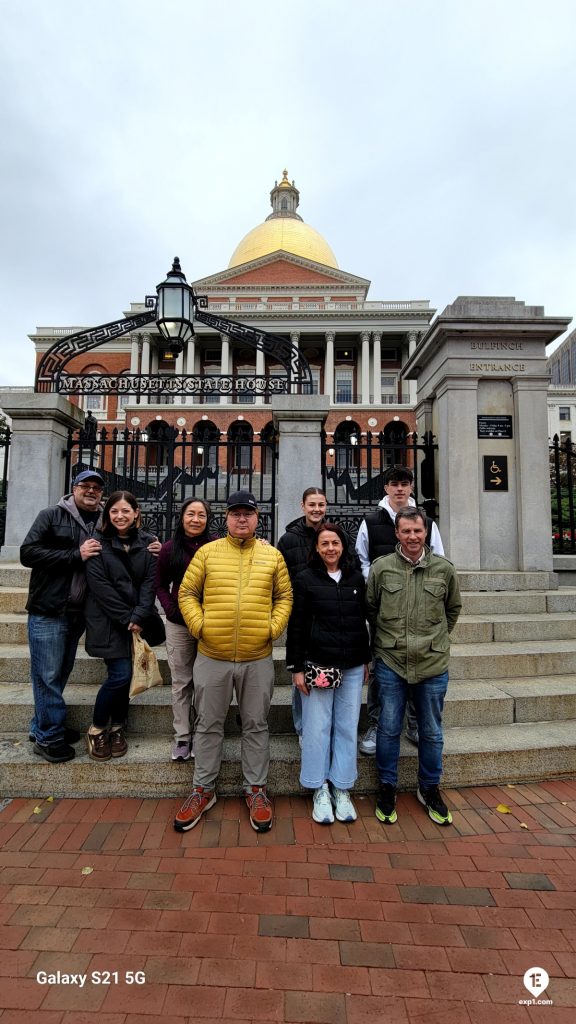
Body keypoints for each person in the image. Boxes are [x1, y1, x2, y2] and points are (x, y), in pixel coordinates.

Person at [174, 490, 293, 833]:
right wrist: (199, 626)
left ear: (257, 518)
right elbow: (186, 593)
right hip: (212, 656)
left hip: (257, 658)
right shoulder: (208, 553)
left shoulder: (272, 556)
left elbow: (285, 596)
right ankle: (202, 789)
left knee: (256, 724)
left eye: (248, 514)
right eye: (236, 513)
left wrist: (272, 628)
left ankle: (256, 789)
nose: (242, 519)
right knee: (208, 724)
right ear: (226, 518)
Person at [366, 506, 461, 827]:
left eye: (417, 531)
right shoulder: (382, 569)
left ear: (425, 532)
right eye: (405, 531)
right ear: (396, 533)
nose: (412, 537)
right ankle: (387, 786)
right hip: (391, 662)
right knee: (389, 729)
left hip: (432, 664)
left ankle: (430, 787)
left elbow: (452, 610)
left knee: (432, 732)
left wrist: (434, 641)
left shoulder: (444, 570)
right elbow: (371, 610)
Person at [355, 464, 444, 755]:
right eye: (394, 483)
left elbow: (440, 562)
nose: (400, 488)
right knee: (383, 665)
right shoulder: (371, 521)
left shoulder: (426, 521)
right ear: (386, 488)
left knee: (420, 665)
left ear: (410, 487)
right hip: (385, 605)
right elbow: (361, 560)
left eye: (405, 483)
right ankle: (377, 722)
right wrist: (380, 584)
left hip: (420, 606)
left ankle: (415, 722)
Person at [20, 469, 106, 763]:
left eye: (96, 487)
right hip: (49, 608)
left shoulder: (104, 519)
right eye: (86, 486)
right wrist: (75, 555)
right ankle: (47, 737)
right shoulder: (51, 515)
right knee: (47, 674)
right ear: (73, 488)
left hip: (78, 611)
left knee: (60, 671)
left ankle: (42, 724)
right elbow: (28, 553)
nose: (91, 491)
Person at [287, 523, 370, 824]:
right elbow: (296, 625)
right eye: (324, 544)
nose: (331, 549)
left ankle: (342, 787)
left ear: (343, 546)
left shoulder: (355, 577)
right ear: (317, 549)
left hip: (350, 665)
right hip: (319, 664)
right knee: (317, 727)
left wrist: (365, 659)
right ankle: (318, 786)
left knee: (347, 726)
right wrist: (296, 667)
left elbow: (363, 620)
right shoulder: (305, 578)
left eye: (335, 543)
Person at [84, 491, 159, 761]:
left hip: (135, 621)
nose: (120, 516)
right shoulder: (96, 544)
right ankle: (97, 728)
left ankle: (117, 728)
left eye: (126, 511)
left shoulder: (149, 543)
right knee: (120, 675)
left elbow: (151, 582)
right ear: (108, 514)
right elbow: (99, 586)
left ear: (136, 512)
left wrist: (139, 615)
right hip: (108, 621)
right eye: (114, 511)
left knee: (126, 676)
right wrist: (128, 617)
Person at [155, 498, 214, 762]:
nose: (195, 520)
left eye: (201, 515)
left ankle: (202, 734)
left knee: (206, 682)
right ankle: (182, 735)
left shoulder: (216, 547)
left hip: (209, 623)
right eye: (191, 514)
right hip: (179, 623)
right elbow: (159, 584)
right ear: (182, 517)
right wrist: (171, 610)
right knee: (181, 681)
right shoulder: (169, 549)